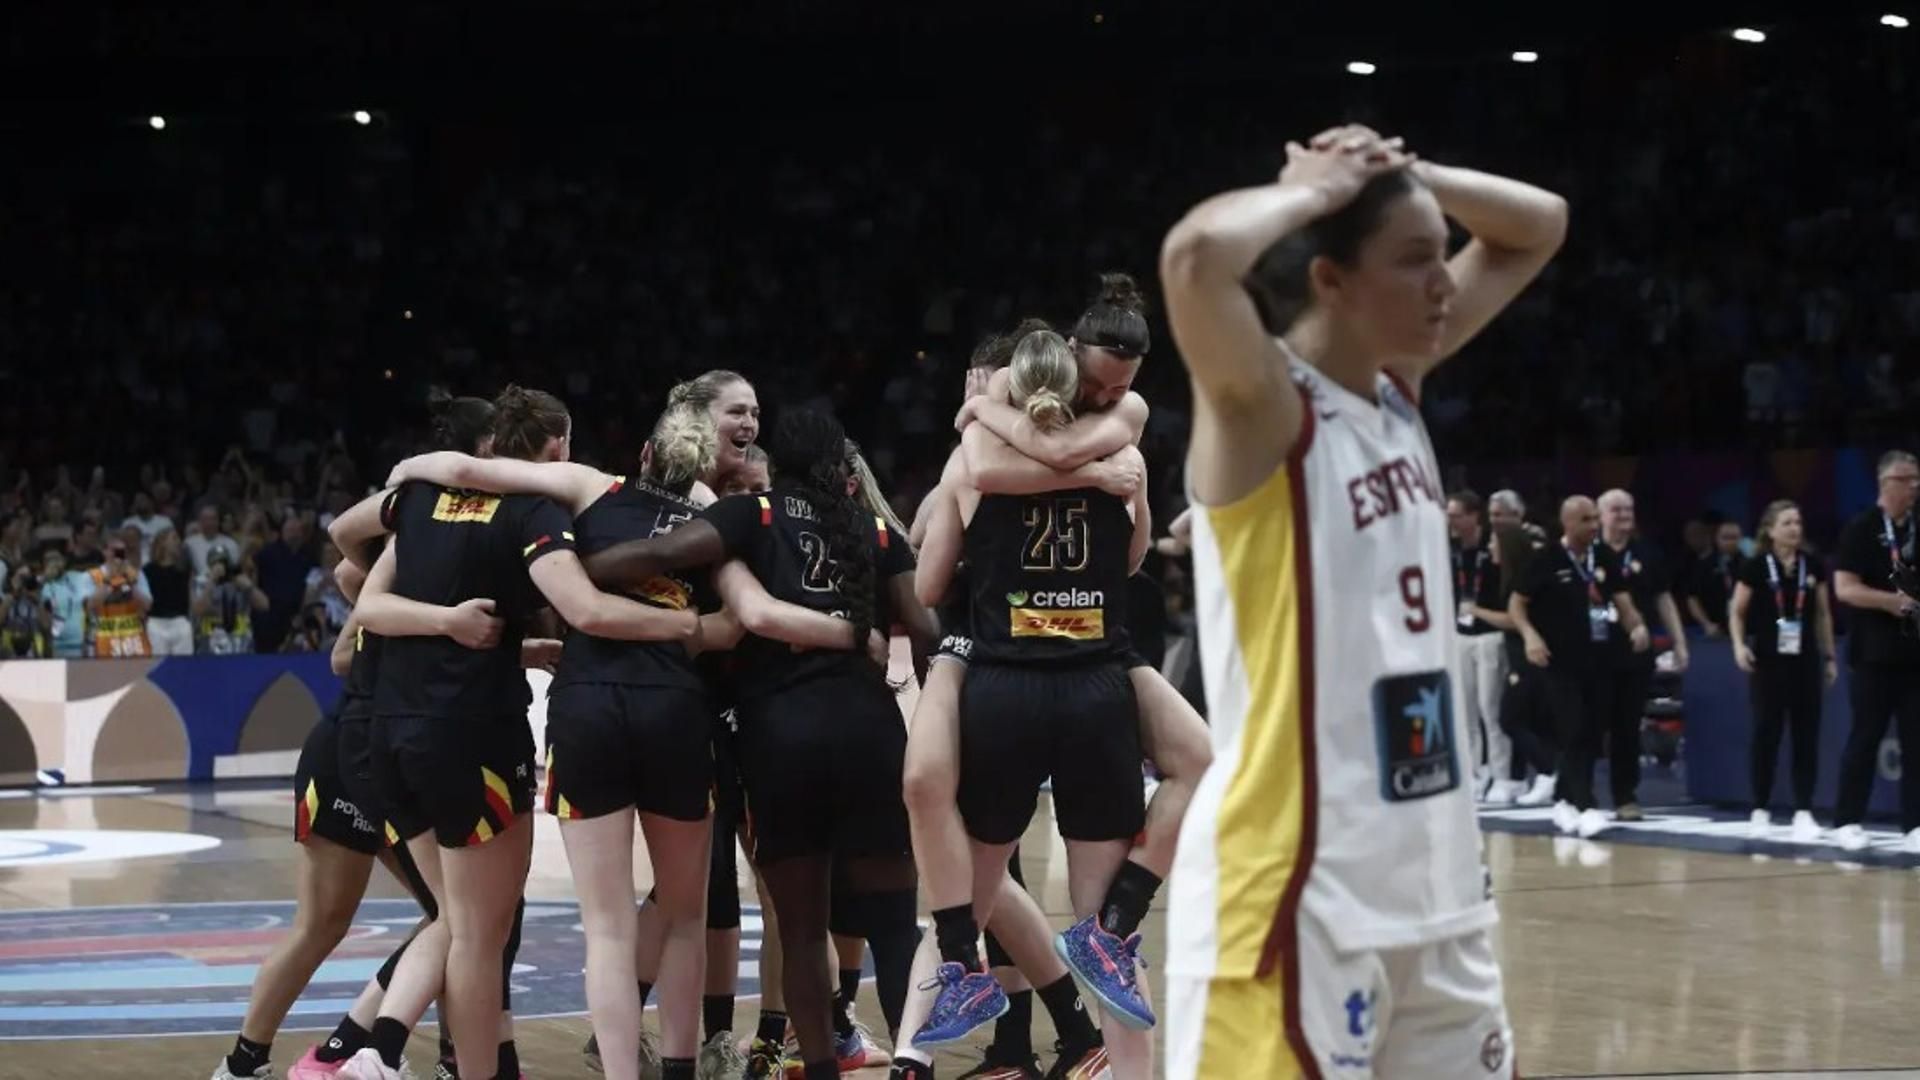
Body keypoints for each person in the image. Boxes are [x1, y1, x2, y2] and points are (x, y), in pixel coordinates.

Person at [1159, 122, 1567, 1077]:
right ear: (1331, 281)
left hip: (1436, 891)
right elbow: (1193, 259)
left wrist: (1402, 173)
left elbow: (1538, 225)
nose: (1442, 283)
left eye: (1442, 260)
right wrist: (1314, 187)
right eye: (1415, 260)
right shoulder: (1262, 407)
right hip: (1299, 894)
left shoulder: (1398, 388)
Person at [382, 403, 850, 1080]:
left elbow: (466, 469)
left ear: (642, 454)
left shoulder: (588, 488)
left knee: (607, 928)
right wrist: (682, 622)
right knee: (685, 918)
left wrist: (405, 470)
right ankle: (682, 1069)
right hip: (675, 713)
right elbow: (727, 629)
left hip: (587, 709)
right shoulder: (714, 526)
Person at [339, 386, 702, 1080]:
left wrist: (451, 622)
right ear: (559, 446)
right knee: (478, 936)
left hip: (388, 731)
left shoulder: (417, 499)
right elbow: (584, 608)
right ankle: (403, 1057)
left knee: (453, 919)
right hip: (469, 734)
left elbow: (356, 582)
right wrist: (686, 624)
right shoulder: (533, 510)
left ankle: (385, 1044)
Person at [581, 407, 938, 1080]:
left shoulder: (755, 518)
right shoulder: (876, 534)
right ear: (840, 464)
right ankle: (912, 1064)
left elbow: (659, 554)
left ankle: (823, 1067)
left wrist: (575, 562)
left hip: (781, 740)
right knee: (896, 927)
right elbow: (925, 627)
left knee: (801, 930)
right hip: (869, 734)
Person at [213, 393, 500, 1080]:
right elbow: (344, 645)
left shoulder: (423, 556)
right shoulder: (412, 541)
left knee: (447, 916)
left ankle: (345, 1052)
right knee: (435, 917)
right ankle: (317, 1056)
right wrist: (424, 627)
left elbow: (347, 647)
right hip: (362, 747)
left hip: (369, 743)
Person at [911, 328, 1155, 1080]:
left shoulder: (974, 460)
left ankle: (909, 1059)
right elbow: (1135, 556)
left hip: (1004, 689)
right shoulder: (1121, 455)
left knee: (965, 909)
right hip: (1097, 687)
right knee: (1107, 937)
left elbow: (925, 589)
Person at [1511, 497, 1649, 838]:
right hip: (1558, 663)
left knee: (1591, 732)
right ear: (1568, 523)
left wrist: (1637, 626)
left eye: (1594, 519)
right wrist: (1530, 636)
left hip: (1599, 660)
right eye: (1586, 520)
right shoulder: (1545, 559)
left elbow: (1622, 600)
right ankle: (1586, 805)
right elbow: (1517, 604)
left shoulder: (1602, 557)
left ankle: (1565, 800)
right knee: (1572, 728)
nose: (1593, 525)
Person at [1729, 499, 1836, 842]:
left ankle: (1803, 811)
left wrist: (1829, 656)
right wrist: (1738, 645)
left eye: (1798, 522)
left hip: (1804, 659)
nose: (1795, 528)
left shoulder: (1813, 564)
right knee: (1767, 734)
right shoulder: (1756, 565)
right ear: (1771, 530)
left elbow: (1822, 614)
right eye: (1787, 522)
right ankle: (1760, 808)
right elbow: (1737, 611)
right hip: (1768, 661)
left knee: (1806, 735)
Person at [1829, 450, 1920, 853]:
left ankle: (1915, 824)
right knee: (1865, 738)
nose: (1915, 486)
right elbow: (1844, 588)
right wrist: (1890, 602)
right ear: (1886, 483)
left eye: (1917, 479)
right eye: (1907, 479)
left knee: (1917, 741)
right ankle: (1847, 820)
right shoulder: (1861, 529)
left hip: (1915, 654)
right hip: (1873, 655)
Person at [1594, 489, 1690, 820]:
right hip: (1594, 650)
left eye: (1629, 509)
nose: (1624, 515)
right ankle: (1575, 794)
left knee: (1627, 724)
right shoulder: (1589, 553)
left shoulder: (1647, 553)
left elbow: (1664, 599)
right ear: (1600, 515)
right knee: (1589, 722)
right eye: (1617, 510)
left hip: (1636, 651)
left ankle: (1625, 797)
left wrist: (1679, 642)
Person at [1479, 523, 1558, 804]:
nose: (1489, 548)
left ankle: (1549, 772)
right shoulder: (1509, 575)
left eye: (1493, 543)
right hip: (1518, 653)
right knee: (1524, 718)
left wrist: (1475, 611)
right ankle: (1529, 777)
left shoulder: (1524, 577)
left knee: (1509, 718)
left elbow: (1513, 620)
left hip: (1530, 655)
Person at [1447, 489, 1513, 802]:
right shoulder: (1450, 550)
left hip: (1490, 635)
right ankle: (1475, 772)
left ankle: (1503, 776)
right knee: (1466, 711)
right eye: (1449, 515)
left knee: (1491, 709)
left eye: (1457, 515)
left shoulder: (1493, 548)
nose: (1451, 521)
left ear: (1474, 516)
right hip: (1461, 635)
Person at [85, 537, 152, 658]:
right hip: (103, 639)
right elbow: (90, 606)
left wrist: (130, 583)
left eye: (121, 551)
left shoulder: (136, 574)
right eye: (114, 551)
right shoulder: (92, 575)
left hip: (133, 640)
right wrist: (110, 579)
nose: (118, 555)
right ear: (104, 551)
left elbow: (147, 605)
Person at [1687, 520, 1745, 637]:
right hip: (1715, 631)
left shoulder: (1749, 564)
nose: (1729, 542)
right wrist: (1706, 624)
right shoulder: (1704, 564)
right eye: (1725, 537)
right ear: (1716, 538)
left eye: (1734, 537)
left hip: (1746, 629)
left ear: (1740, 539)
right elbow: (1692, 598)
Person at [144, 528, 195, 655]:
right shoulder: (148, 571)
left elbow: (190, 598)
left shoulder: (184, 570)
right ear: (162, 543)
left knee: (183, 666)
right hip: (156, 623)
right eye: (174, 538)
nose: (178, 542)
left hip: (180, 622)